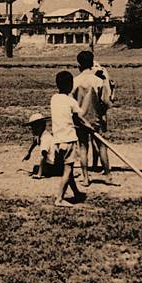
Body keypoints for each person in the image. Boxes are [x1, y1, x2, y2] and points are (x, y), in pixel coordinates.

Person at [71, 51, 114, 186]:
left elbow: (71, 103)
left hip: (80, 119)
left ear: (79, 64)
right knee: (102, 147)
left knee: (83, 147)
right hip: (96, 118)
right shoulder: (99, 81)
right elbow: (107, 102)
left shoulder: (75, 81)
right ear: (92, 63)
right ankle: (107, 175)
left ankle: (85, 178)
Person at [51, 71, 92, 207]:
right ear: (70, 85)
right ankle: (59, 198)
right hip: (68, 140)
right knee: (68, 171)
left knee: (68, 169)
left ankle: (76, 192)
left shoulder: (54, 99)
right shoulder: (71, 101)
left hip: (57, 140)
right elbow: (79, 118)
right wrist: (89, 126)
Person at [22, 113, 62, 178]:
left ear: (41, 126)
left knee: (36, 168)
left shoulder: (45, 138)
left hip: (55, 166)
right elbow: (35, 142)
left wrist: (39, 174)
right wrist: (29, 152)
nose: (32, 129)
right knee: (36, 168)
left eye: (34, 127)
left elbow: (44, 156)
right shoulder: (41, 135)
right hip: (54, 164)